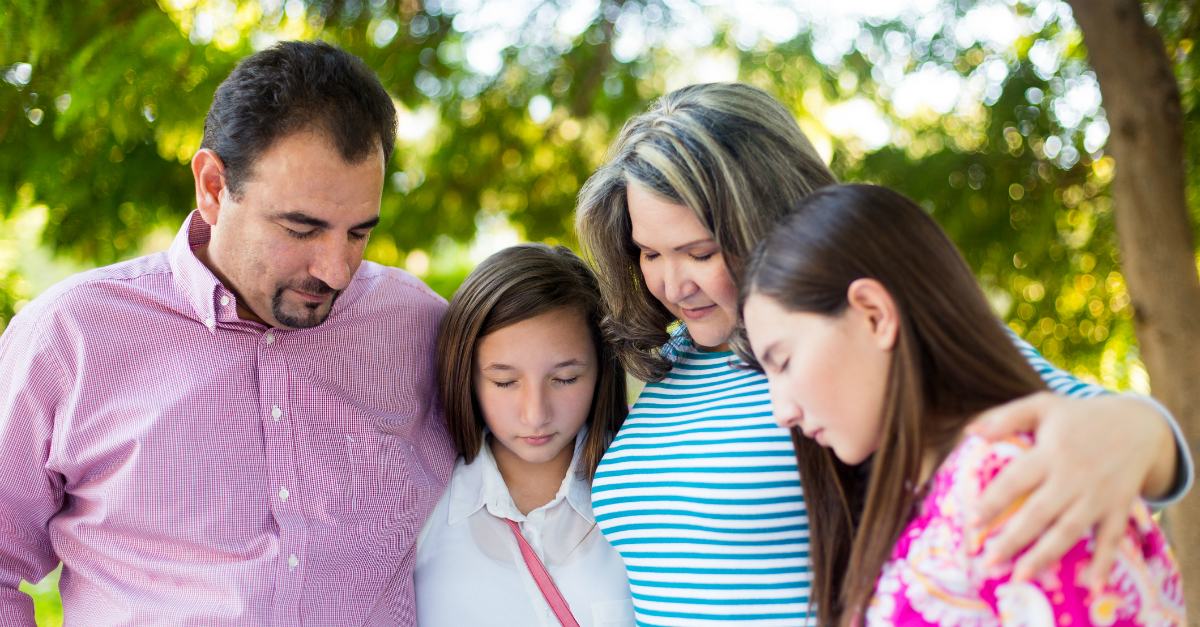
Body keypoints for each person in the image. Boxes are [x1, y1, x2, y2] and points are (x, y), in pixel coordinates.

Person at [574, 82, 1193, 626]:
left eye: (700, 252)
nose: (671, 284)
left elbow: (1090, 427)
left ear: (762, 220)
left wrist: (1137, 430)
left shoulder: (851, 337)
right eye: (649, 254)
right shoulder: (673, 360)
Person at [0, 41, 455, 626]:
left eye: (359, 233)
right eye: (300, 228)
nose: (336, 270)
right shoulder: (68, 335)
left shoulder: (419, 324)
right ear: (213, 186)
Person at [739, 183, 1185, 627]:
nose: (782, 413)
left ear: (874, 315)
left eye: (784, 362)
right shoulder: (928, 492)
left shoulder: (1009, 483)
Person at [415, 244, 633, 627]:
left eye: (565, 379)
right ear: (466, 374)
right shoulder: (417, 508)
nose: (536, 414)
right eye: (505, 381)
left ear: (602, 369)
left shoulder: (644, 498)